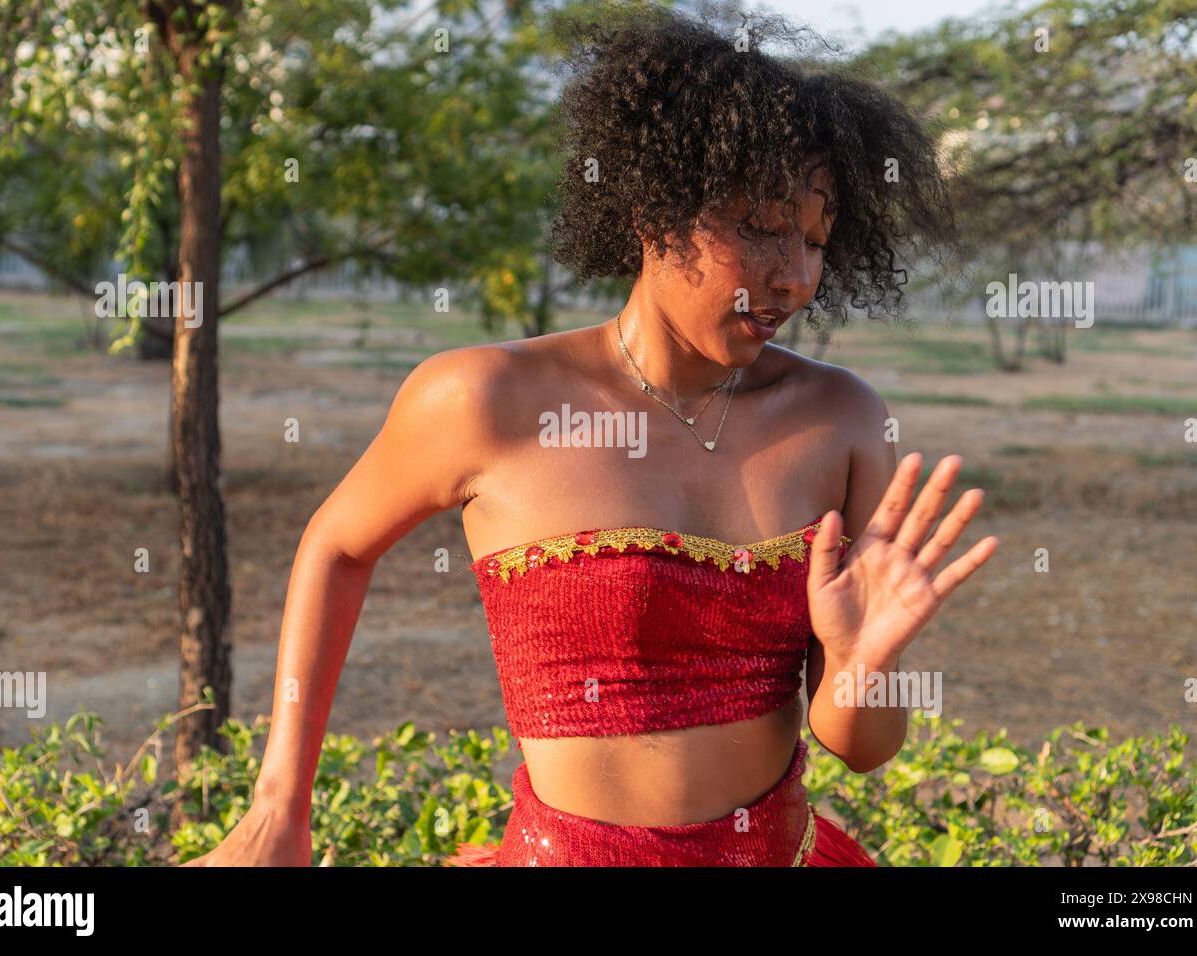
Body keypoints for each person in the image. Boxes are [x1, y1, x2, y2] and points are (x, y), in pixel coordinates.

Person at [182, 7, 996, 867]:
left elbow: (858, 745)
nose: (793, 274)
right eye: (761, 225)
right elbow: (336, 548)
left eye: (816, 238)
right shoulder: (483, 399)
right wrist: (281, 807)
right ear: (654, 210)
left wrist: (863, 660)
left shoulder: (842, 420)